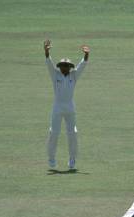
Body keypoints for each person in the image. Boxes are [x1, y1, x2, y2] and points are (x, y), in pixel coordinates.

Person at [44, 39, 89, 170]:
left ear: (70, 67)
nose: (65, 67)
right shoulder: (55, 75)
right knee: (54, 132)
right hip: (57, 107)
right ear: (60, 67)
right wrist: (46, 52)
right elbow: (49, 64)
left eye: (67, 66)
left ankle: (72, 159)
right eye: (63, 65)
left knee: (73, 133)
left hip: (70, 107)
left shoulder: (73, 75)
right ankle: (51, 158)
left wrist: (86, 55)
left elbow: (82, 65)